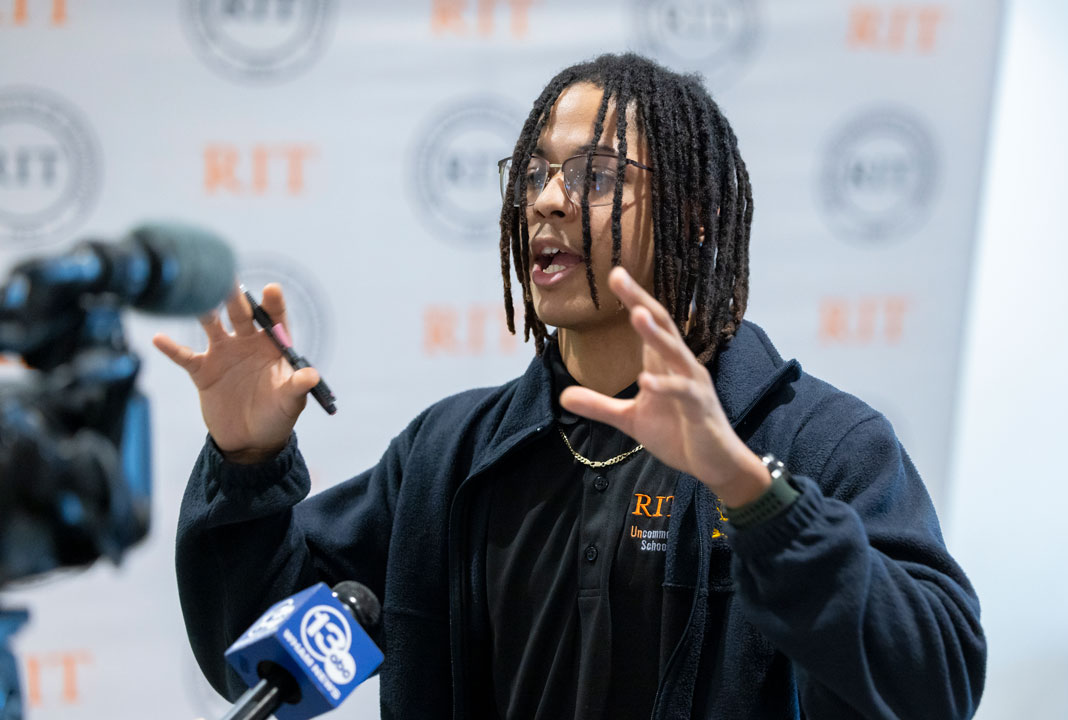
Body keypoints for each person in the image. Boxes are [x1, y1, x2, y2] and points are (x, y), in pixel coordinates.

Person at [154, 53, 986, 719]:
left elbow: (934, 686)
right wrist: (248, 459)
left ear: (693, 213)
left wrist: (750, 493)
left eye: (592, 176)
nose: (547, 201)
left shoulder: (820, 443)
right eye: (533, 175)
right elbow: (257, 661)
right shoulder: (447, 459)